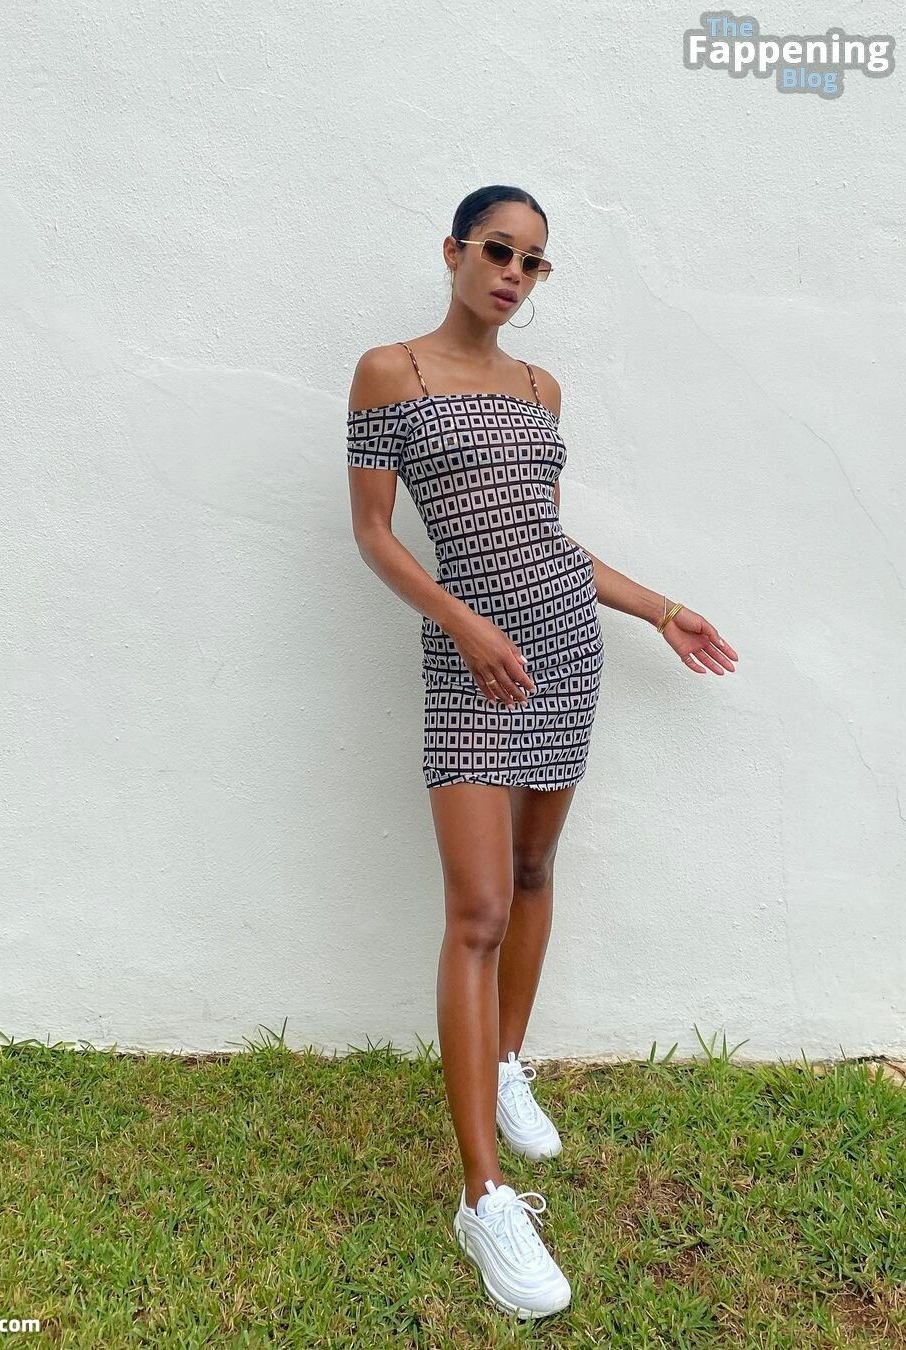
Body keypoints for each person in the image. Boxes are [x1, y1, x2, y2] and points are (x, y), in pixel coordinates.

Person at [345, 184, 739, 1320]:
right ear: (455, 251)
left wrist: (660, 608)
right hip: (471, 663)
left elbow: (544, 537)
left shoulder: (539, 388)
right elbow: (374, 536)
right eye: (499, 250)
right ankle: (484, 1197)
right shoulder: (390, 373)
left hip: (563, 646)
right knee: (475, 911)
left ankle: (507, 1061)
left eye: (534, 261)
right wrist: (463, 625)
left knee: (531, 870)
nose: (514, 273)